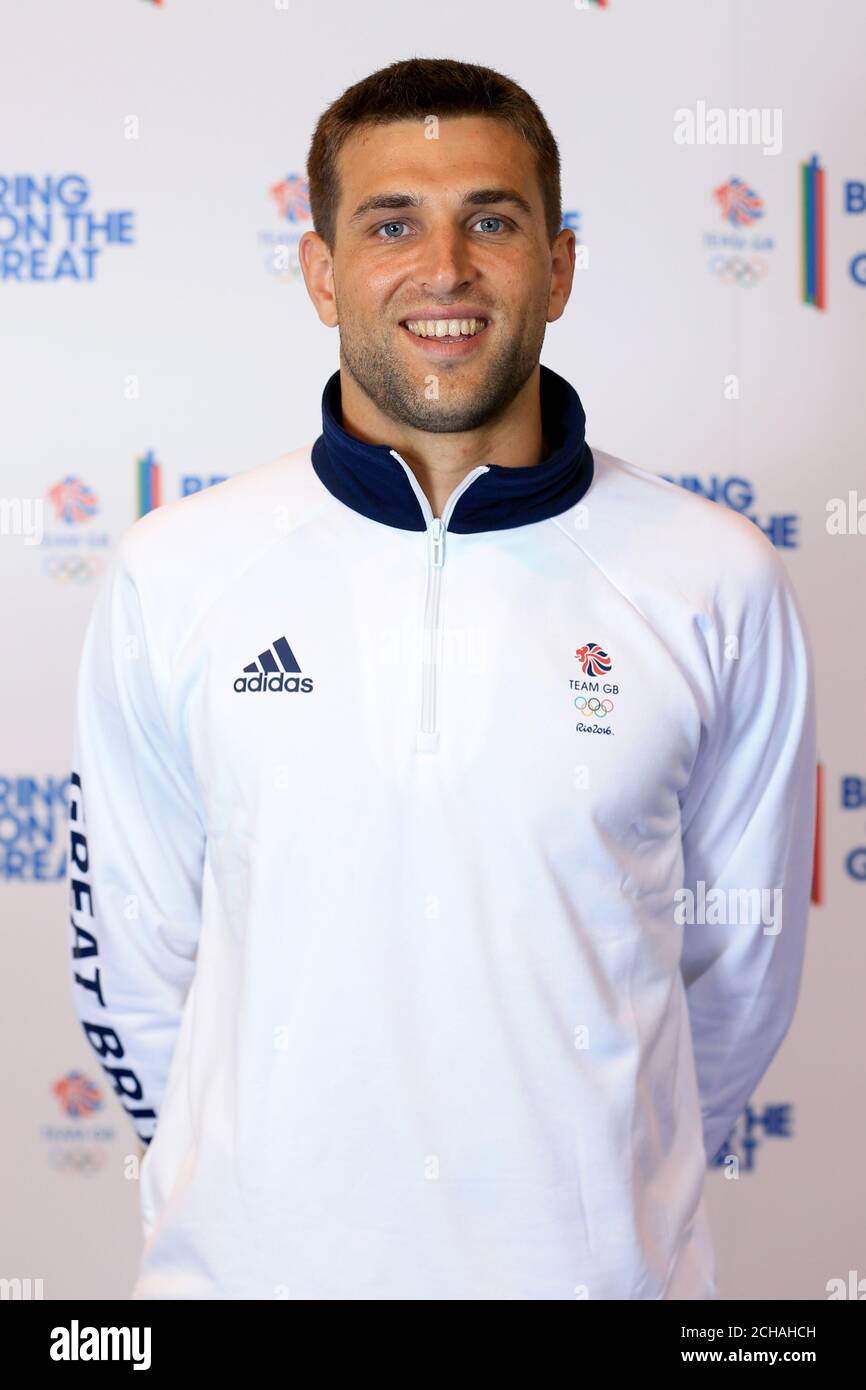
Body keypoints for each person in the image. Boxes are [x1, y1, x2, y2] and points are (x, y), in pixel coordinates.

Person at [66, 56, 817, 1300]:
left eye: (491, 219)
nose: (446, 269)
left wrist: (596, 1206)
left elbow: (737, 978)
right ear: (321, 274)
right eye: (391, 223)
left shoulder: (712, 577)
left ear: (558, 266)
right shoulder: (177, 571)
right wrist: (258, 1200)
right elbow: (134, 963)